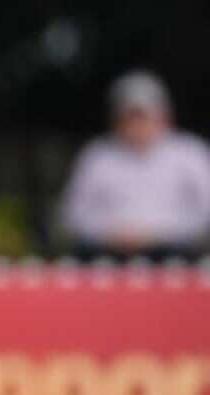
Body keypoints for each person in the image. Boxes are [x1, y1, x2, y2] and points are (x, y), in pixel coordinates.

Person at [61, 70, 210, 261]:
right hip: (109, 255)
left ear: (164, 116)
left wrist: (157, 233)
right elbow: (73, 213)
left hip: (176, 254)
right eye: (131, 118)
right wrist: (112, 232)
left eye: (144, 117)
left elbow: (205, 211)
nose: (138, 125)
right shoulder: (98, 156)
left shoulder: (191, 153)